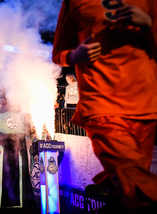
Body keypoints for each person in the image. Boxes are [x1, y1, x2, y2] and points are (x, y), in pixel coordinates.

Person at [52, 0, 157, 213]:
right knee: (137, 188)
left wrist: (149, 23)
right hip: (101, 105)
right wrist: (73, 56)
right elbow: (58, 53)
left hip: (146, 106)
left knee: (129, 191)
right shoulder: (74, 2)